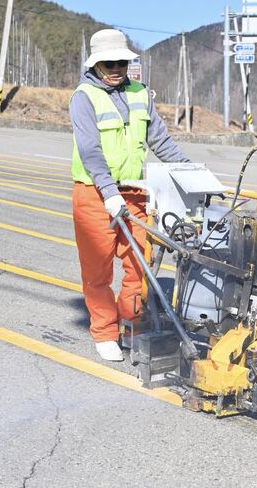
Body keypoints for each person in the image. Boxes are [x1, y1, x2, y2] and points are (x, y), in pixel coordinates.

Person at [70, 29, 190, 361]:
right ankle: (105, 331)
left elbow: (162, 142)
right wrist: (108, 192)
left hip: (136, 194)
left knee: (141, 264)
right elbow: (90, 150)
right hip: (95, 195)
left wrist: (191, 173)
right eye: (108, 63)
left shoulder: (139, 94)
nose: (116, 68)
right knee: (98, 271)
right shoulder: (84, 97)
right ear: (95, 65)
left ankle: (131, 324)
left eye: (121, 62)